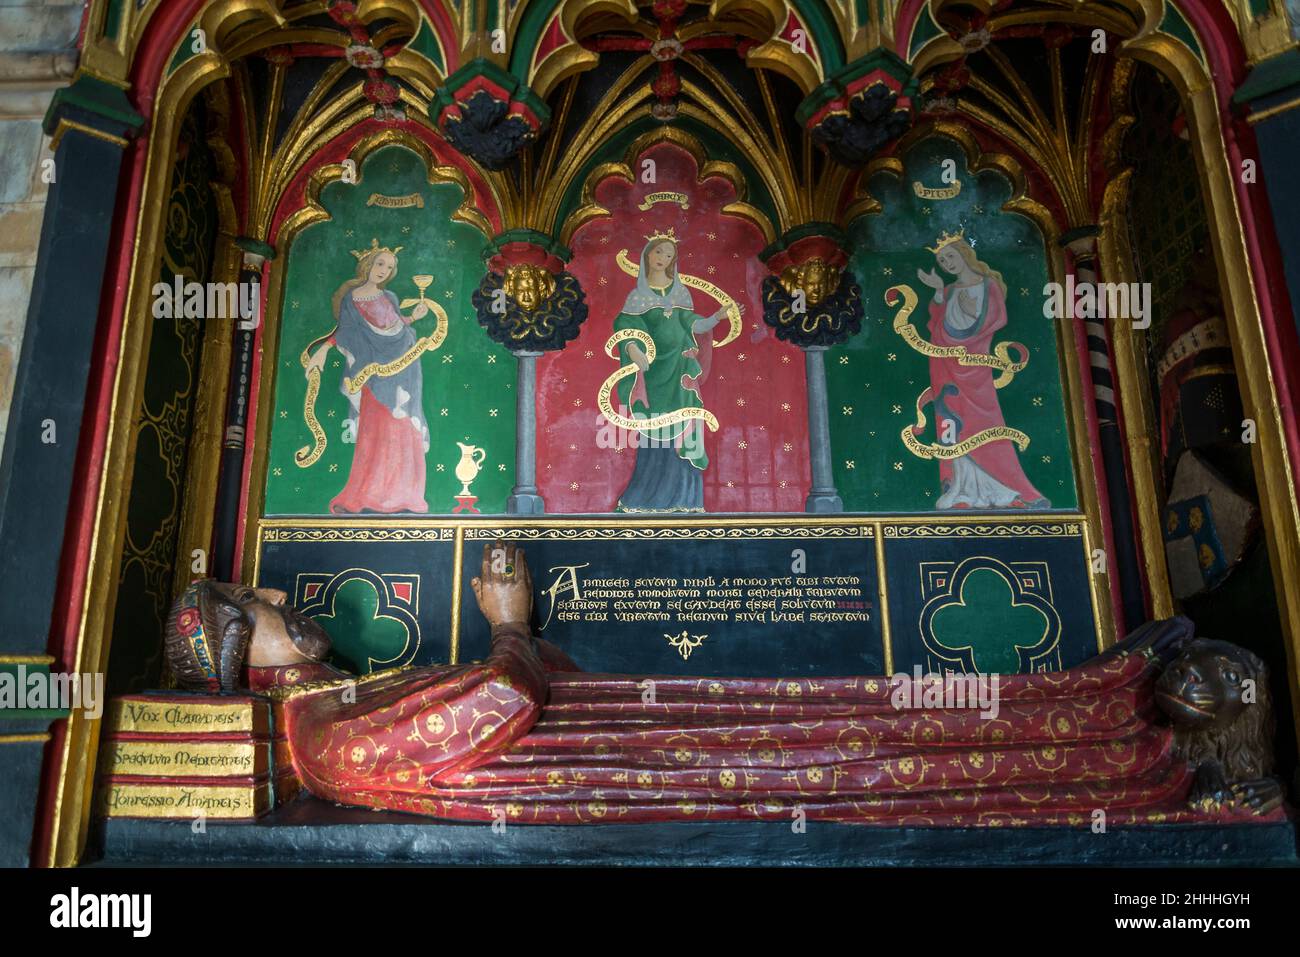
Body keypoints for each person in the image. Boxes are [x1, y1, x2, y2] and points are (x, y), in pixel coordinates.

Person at [916, 235, 1048, 509]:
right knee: (952, 421)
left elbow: (993, 320)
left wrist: (969, 313)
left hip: (976, 368)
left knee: (984, 423)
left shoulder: (988, 286)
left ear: (965, 253)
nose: (947, 264)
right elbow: (938, 328)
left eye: (950, 256)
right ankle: (961, 489)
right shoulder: (950, 291)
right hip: (948, 368)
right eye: (942, 261)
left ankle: (1005, 489)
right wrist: (940, 292)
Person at [612, 233, 735, 512]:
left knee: (686, 431)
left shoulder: (680, 293)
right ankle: (644, 500)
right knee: (655, 434)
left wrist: (717, 317)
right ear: (647, 256)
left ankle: (686, 500)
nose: (663, 259)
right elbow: (625, 325)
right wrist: (633, 349)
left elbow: (695, 326)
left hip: (681, 374)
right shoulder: (637, 296)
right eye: (658, 253)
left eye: (669, 255)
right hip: (654, 375)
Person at [305, 240, 430, 513]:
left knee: (402, 427)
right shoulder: (352, 299)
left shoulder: (391, 298)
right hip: (372, 375)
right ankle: (371, 492)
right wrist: (324, 350)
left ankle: (403, 493)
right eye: (380, 263)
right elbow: (347, 332)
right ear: (368, 265)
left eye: (390, 266)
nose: (384, 270)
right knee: (376, 430)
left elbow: (394, 326)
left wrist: (413, 318)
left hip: (402, 372)